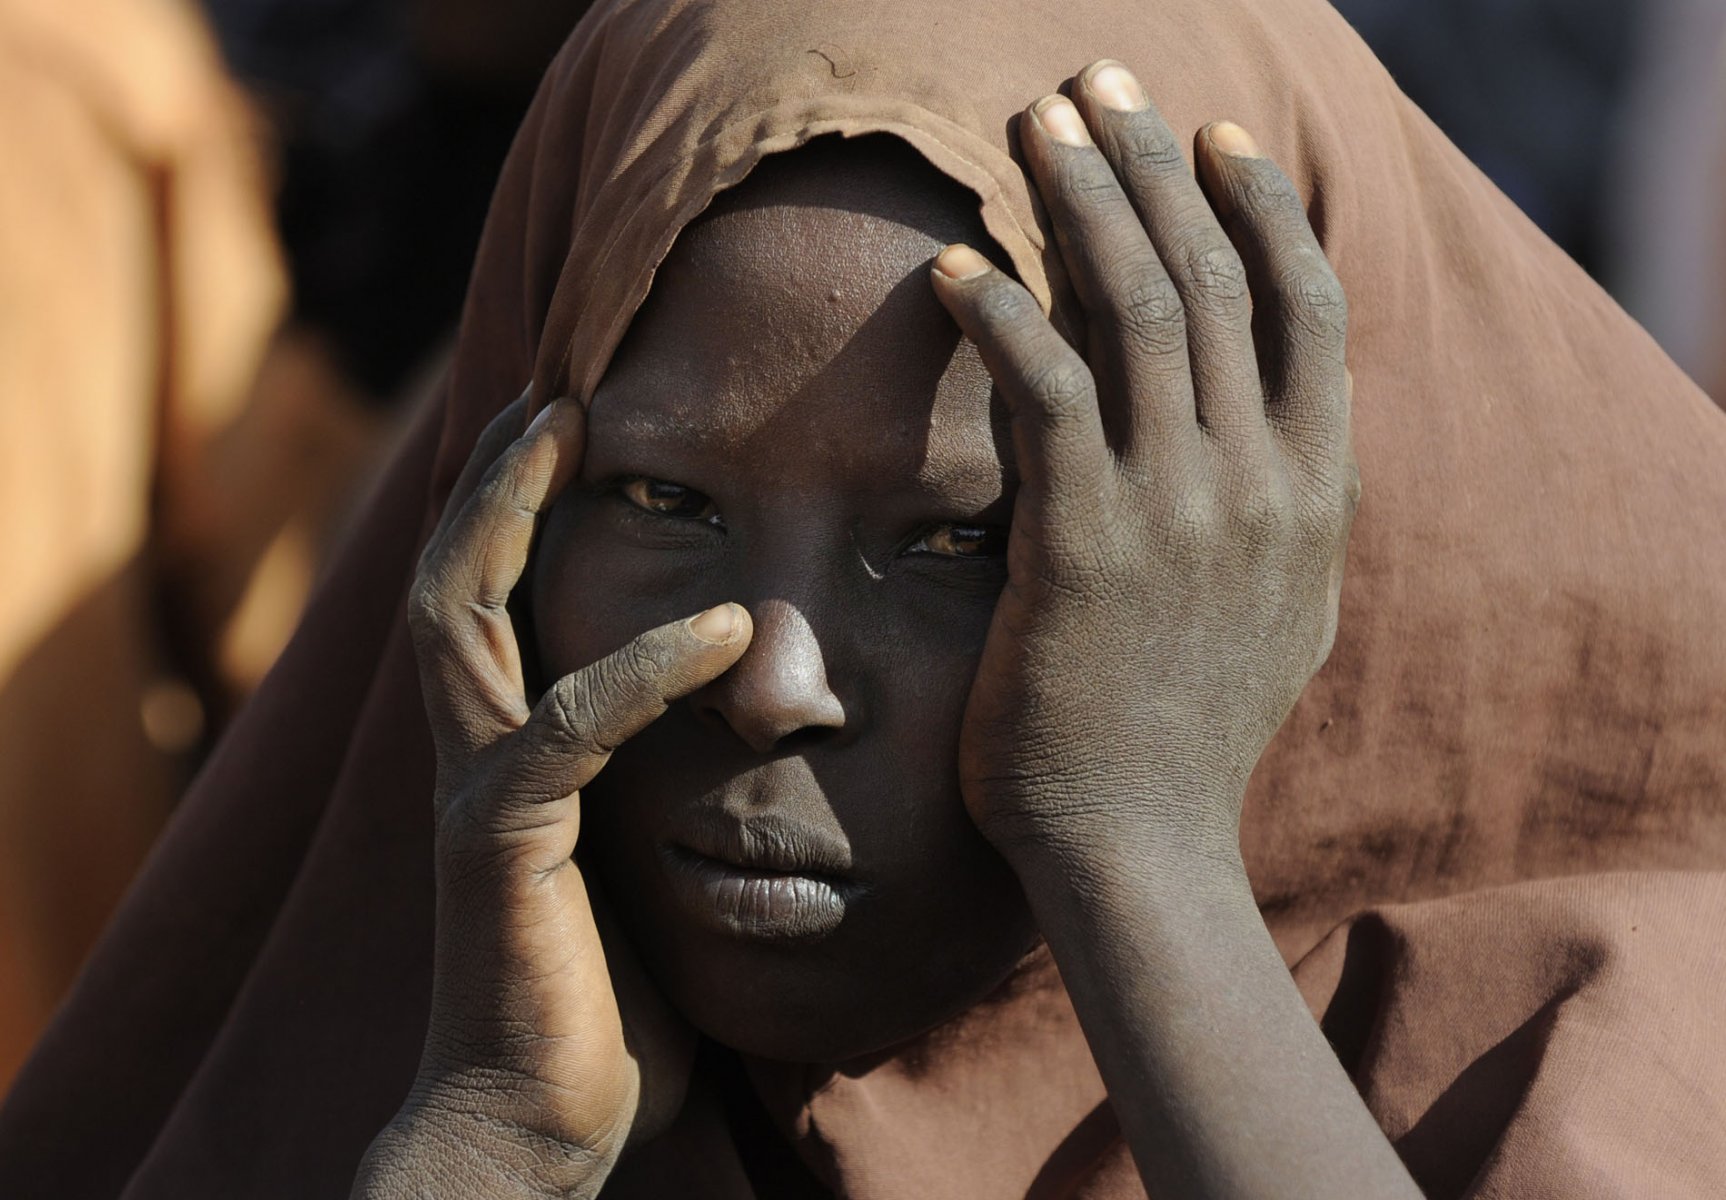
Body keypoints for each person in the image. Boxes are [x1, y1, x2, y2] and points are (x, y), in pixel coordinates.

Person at [5, 0, 1726, 1196]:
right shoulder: (365, 1072)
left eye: (963, 541)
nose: (774, 683)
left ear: (1273, 550)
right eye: (663, 501)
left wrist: (1134, 849)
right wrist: (486, 1144)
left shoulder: (1602, 1053)